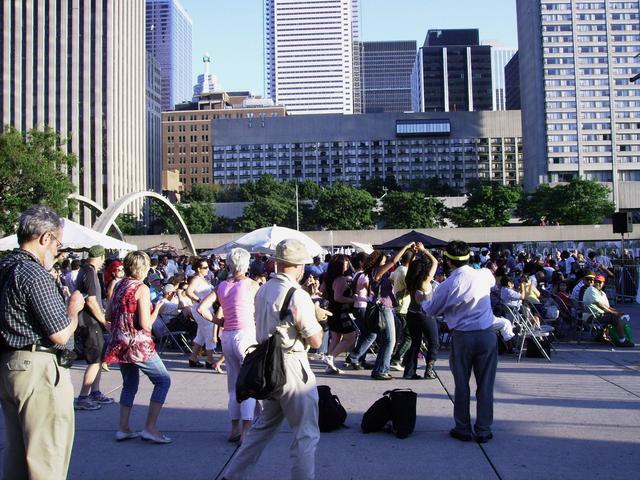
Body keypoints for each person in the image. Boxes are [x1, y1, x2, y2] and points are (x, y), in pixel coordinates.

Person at [221, 239, 323, 480]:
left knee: (262, 428)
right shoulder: (297, 295)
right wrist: (318, 319)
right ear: (298, 266)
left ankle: (233, 474)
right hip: (292, 366)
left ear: (277, 263)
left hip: (268, 364)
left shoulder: (263, 288)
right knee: (306, 434)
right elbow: (316, 340)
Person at [0, 205, 85, 479]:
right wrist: (73, 307)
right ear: (45, 238)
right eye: (58, 243)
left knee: (17, 455)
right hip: (38, 368)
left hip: (9, 365)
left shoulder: (4, 267)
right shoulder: (33, 274)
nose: (58, 251)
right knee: (46, 456)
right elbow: (60, 334)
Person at [422, 240, 498, 444]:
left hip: (463, 336)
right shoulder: (484, 274)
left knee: (462, 384)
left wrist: (422, 297)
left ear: (447, 261)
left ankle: (463, 428)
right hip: (487, 334)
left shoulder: (448, 284)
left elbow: (431, 310)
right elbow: (491, 282)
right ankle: (483, 429)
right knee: (486, 384)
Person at [104, 251, 172, 443]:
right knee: (162, 381)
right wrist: (157, 308)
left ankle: (123, 428)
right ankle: (150, 428)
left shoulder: (118, 285)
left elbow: (108, 315)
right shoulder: (140, 288)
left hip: (120, 342)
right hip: (138, 344)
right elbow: (145, 324)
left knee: (129, 384)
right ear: (143, 268)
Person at [198, 248, 259, 444]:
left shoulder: (222, 285)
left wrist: (219, 322)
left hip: (228, 336)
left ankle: (234, 429)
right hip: (246, 334)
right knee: (248, 384)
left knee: (233, 386)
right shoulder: (251, 285)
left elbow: (201, 308)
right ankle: (246, 431)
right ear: (246, 264)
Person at [365, 243, 415, 380]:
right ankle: (381, 370)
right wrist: (404, 248)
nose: (386, 259)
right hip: (384, 307)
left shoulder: (379, 272)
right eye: (383, 258)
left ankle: (380, 369)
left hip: (387, 306)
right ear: (379, 261)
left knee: (387, 341)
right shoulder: (377, 272)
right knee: (390, 340)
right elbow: (393, 261)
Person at [74, 245, 114, 410]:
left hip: (87, 321)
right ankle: (83, 396)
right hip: (90, 322)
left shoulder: (85, 270)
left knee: (98, 358)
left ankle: (95, 392)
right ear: (102, 257)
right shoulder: (90, 273)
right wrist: (104, 321)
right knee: (94, 360)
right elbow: (91, 300)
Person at [403, 244, 439, 380]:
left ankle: (409, 372)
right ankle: (429, 370)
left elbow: (411, 264)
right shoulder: (425, 282)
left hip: (411, 313)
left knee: (415, 343)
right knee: (434, 343)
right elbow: (435, 261)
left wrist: (413, 252)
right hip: (425, 315)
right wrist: (424, 251)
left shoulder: (410, 281)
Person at [321, 254, 357, 374]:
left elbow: (321, 291)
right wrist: (352, 299)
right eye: (345, 262)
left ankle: (329, 365)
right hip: (341, 311)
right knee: (351, 337)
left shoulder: (327, 277)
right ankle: (331, 357)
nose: (347, 264)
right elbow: (338, 297)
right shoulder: (341, 278)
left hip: (332, 310)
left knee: (336, 338)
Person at [583, 275, 634, 347]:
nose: (598, 283)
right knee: (615, 318)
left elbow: (607, 307)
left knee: (614, 315)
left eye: (600, 282)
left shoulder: (602, 293)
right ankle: (622, 340)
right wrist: (615, 313)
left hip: (596, 315)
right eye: (596, 281)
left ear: (603, 283)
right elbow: (600, 305)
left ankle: (600, 336)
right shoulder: (591, 289)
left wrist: (618, 312)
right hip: (591, 316)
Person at [186, 257, 216, 368]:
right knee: (209, 332)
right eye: (205, 267)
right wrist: (199, 300)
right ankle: (210, 360)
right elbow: (188, 291)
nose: (207, 269)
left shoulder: (204, 278)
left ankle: (193, 358)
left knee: (201, 335)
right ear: (199, 269)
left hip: (207, 308)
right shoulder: (196, 279)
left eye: (208, 267)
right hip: (201, 309)